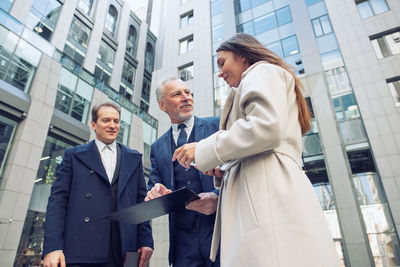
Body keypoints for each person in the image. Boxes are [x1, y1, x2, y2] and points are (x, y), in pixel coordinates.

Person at [173, 33, 340, 267]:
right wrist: (226, 170)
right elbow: (260, 139)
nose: (220, 72)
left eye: (222, 62)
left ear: (242, 56)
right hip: (267, 197)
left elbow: (264, 127)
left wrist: (203, 149)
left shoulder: (261, 71)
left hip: (269, 202)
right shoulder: (263, 78)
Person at [43, 102, 153, 267]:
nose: (112, 125)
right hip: (82, 249)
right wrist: (53, 247)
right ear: (94, 125)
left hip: (123, 249)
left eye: (116, 121)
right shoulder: (73, 156)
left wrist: (146, 240)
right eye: (106, 120)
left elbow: (140, 203)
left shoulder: (133, 158)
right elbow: (57, 202)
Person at [146, 76, 220, 267]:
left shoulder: (217, 127)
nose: (186, 97)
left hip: (220, 230)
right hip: (182, 242)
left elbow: (238, 171)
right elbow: (155, 186)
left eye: (188, 92)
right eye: (177, 94)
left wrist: (217, 196)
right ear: (162, 106)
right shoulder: (157, 147)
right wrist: (157, 193)